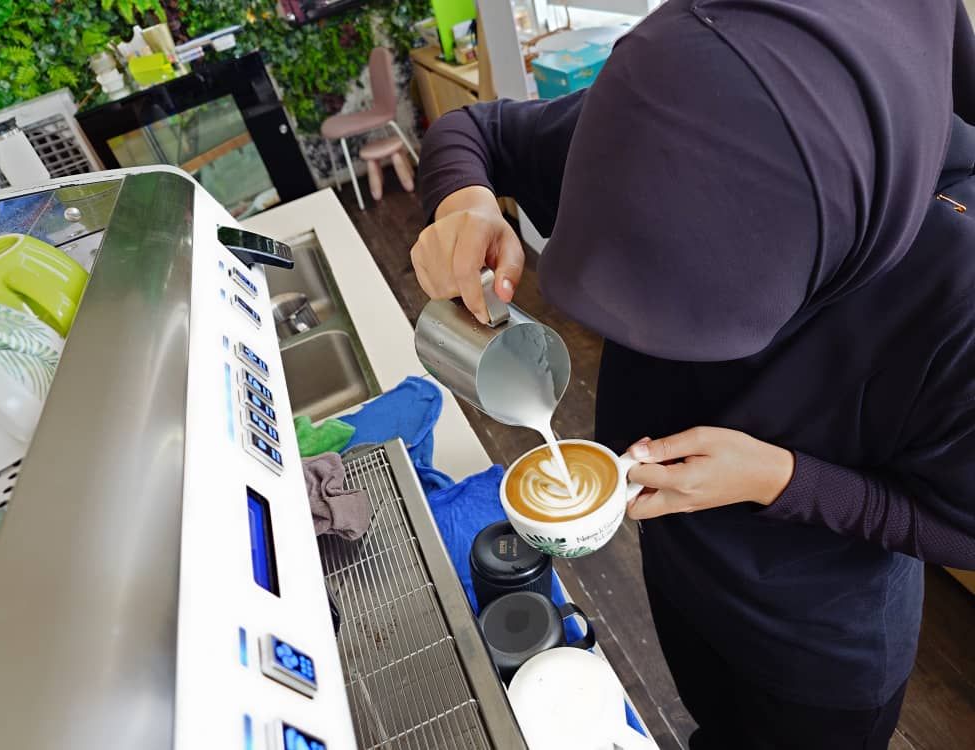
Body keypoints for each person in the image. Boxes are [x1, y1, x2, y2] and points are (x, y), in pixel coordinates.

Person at [410, 1, 975, 748]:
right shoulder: (683, 123)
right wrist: (464, 201)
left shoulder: (957, 287)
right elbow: (474, 132)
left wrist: (779, 478)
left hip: (813, 651)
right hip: (679, 565)